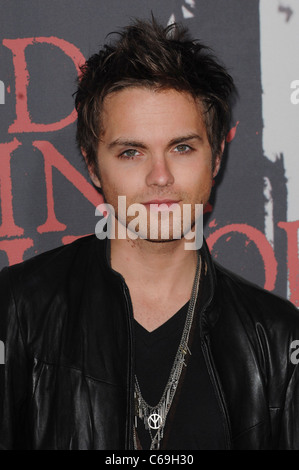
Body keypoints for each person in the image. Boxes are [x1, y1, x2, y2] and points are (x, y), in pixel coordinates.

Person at [0, 17, 299, 451]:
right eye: (131, 152)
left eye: (182, 148)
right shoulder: (16, 310)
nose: (160, 176)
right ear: (91, 165)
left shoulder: (277, 337)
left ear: (215, 159)